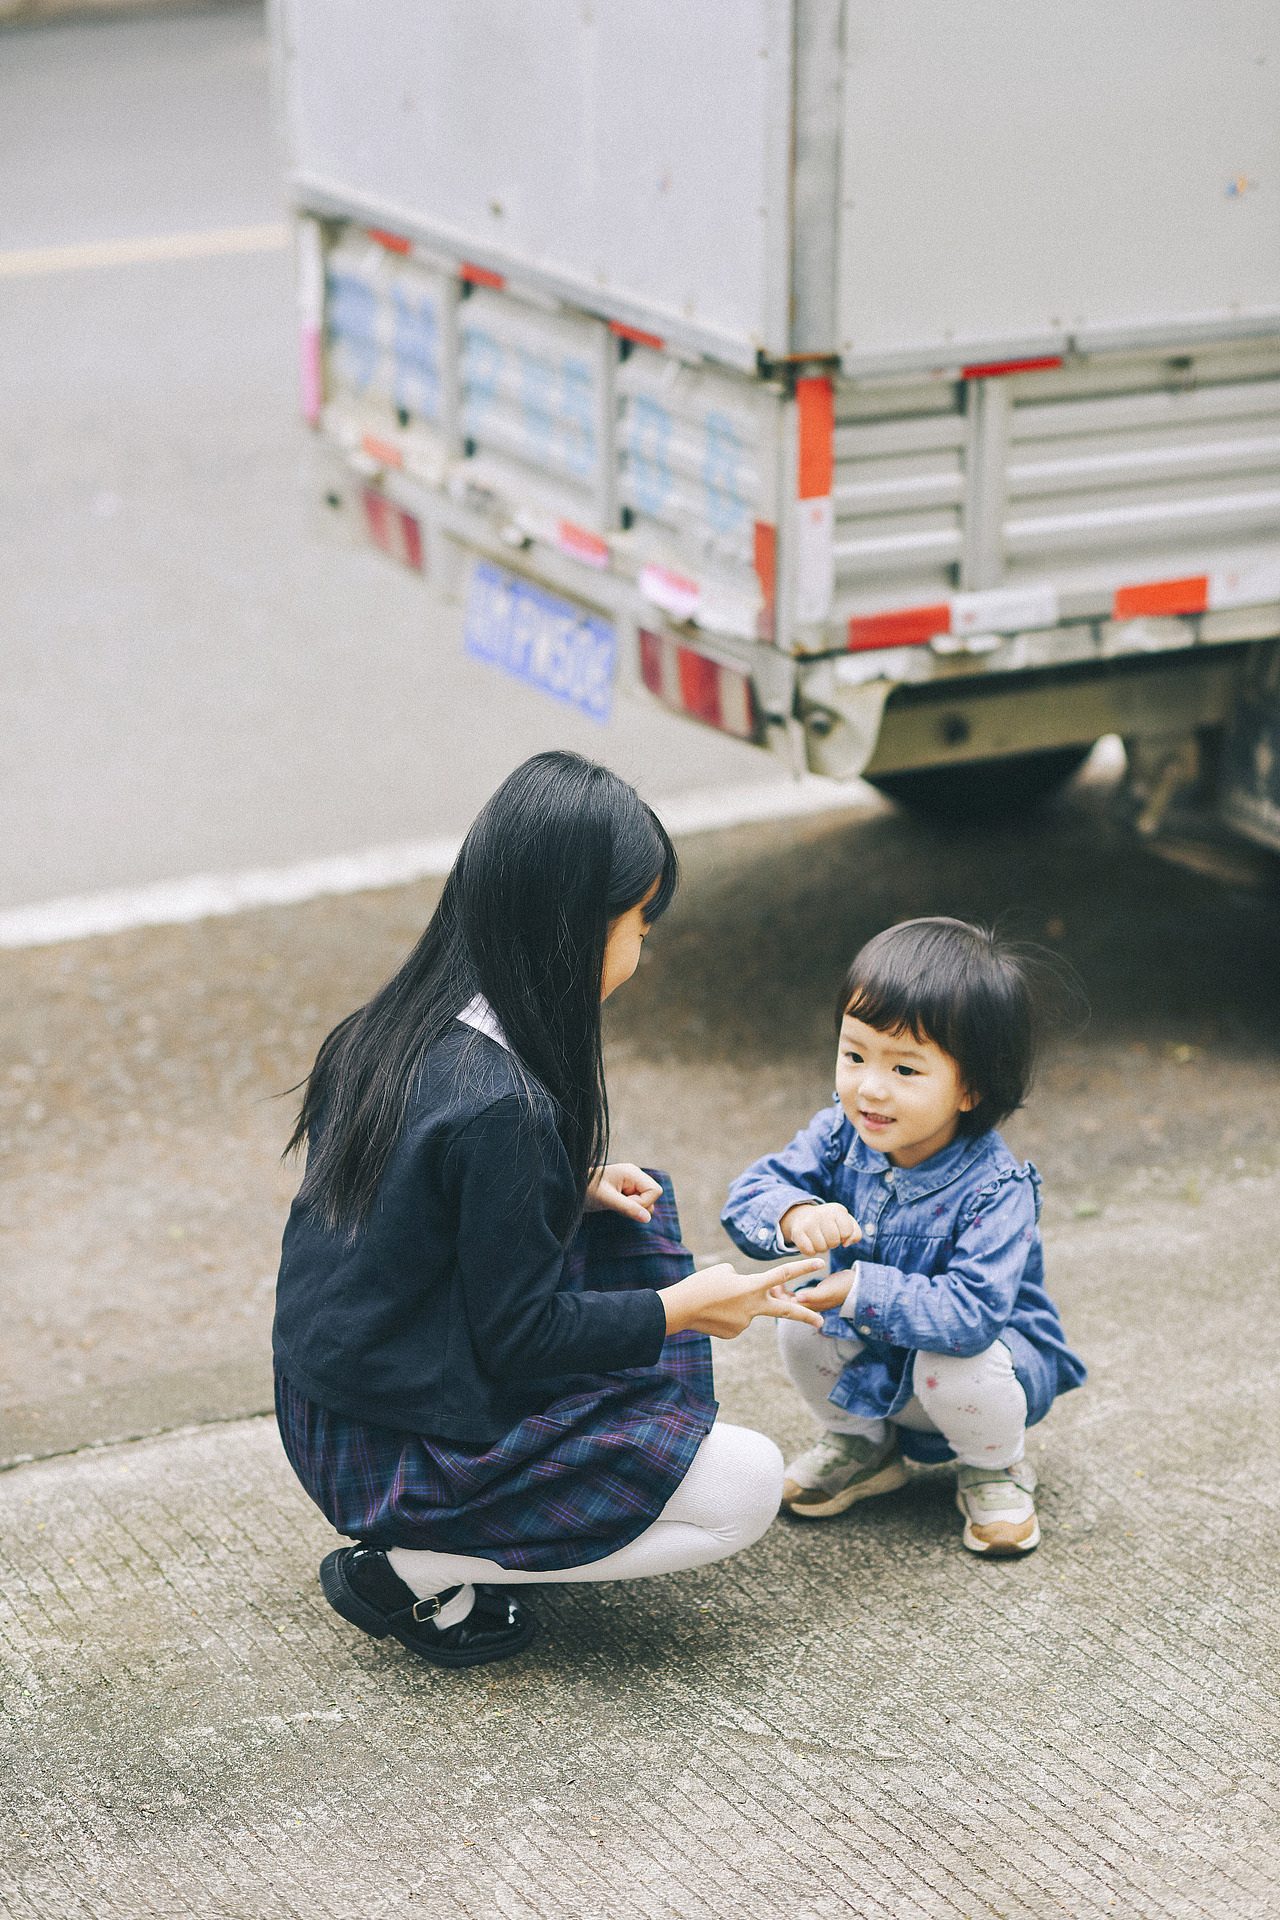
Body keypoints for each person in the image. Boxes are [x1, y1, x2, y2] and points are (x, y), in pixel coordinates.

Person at [273, 751, 824, 1668]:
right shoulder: (507, 1111)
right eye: (640, 923)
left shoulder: (396, 1025)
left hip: (330, 1405)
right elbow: (520, 1339)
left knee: (619, 1217)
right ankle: (414, 1569)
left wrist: (565, 1185)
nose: (643, 948)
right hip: (394, 1450)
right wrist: (692, 1305)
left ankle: (462, 1541)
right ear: (577, 931)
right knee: (746, 1485)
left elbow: (410, 1212)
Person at [722, 918, 1086, 1557]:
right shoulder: (839, 1134)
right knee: (797, 1318)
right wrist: (793, 1214)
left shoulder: (997, 1190)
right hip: (882, 1359)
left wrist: (858, 1288)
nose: (869, 1086)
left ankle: (993, 1465)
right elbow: (750, 1194)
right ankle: (862, 1443)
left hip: (987, 1370)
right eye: (854, 1054)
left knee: (955, 1361)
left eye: (906, 1069)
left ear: (971, 1087)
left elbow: (970, 1318)